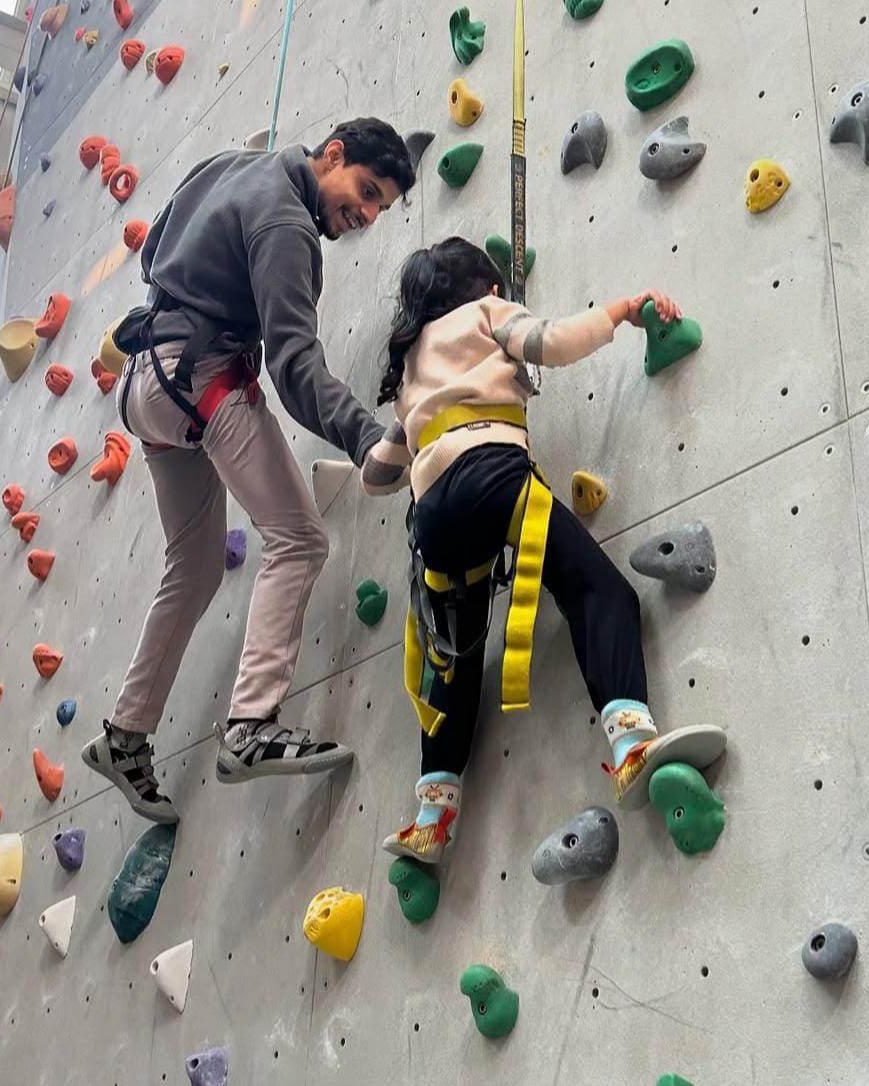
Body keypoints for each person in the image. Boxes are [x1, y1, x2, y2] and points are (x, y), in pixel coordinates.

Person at [82, 118, 416, 824]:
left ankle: (124, 734)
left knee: (195, 566)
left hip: (147, 383)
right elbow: (294, 365)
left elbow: (156, 250)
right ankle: (251, 725)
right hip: (200, 377)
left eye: (380, 207)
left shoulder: (229, 164)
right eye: (365, 191)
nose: (366, 215)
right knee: (300, 539)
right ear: (332, 154)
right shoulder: (287, 225)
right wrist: (366, 438)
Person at [359, 237, 726, 865]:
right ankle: (630, 743)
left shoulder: (412, 372)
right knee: (597, 591)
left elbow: (376, 475)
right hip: (492, 477)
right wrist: (622, 310)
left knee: (454, 664)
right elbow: (553, 342)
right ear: (487, 288)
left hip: (434, 520)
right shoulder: (486, 313)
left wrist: (415, 423)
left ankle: (432, 816)